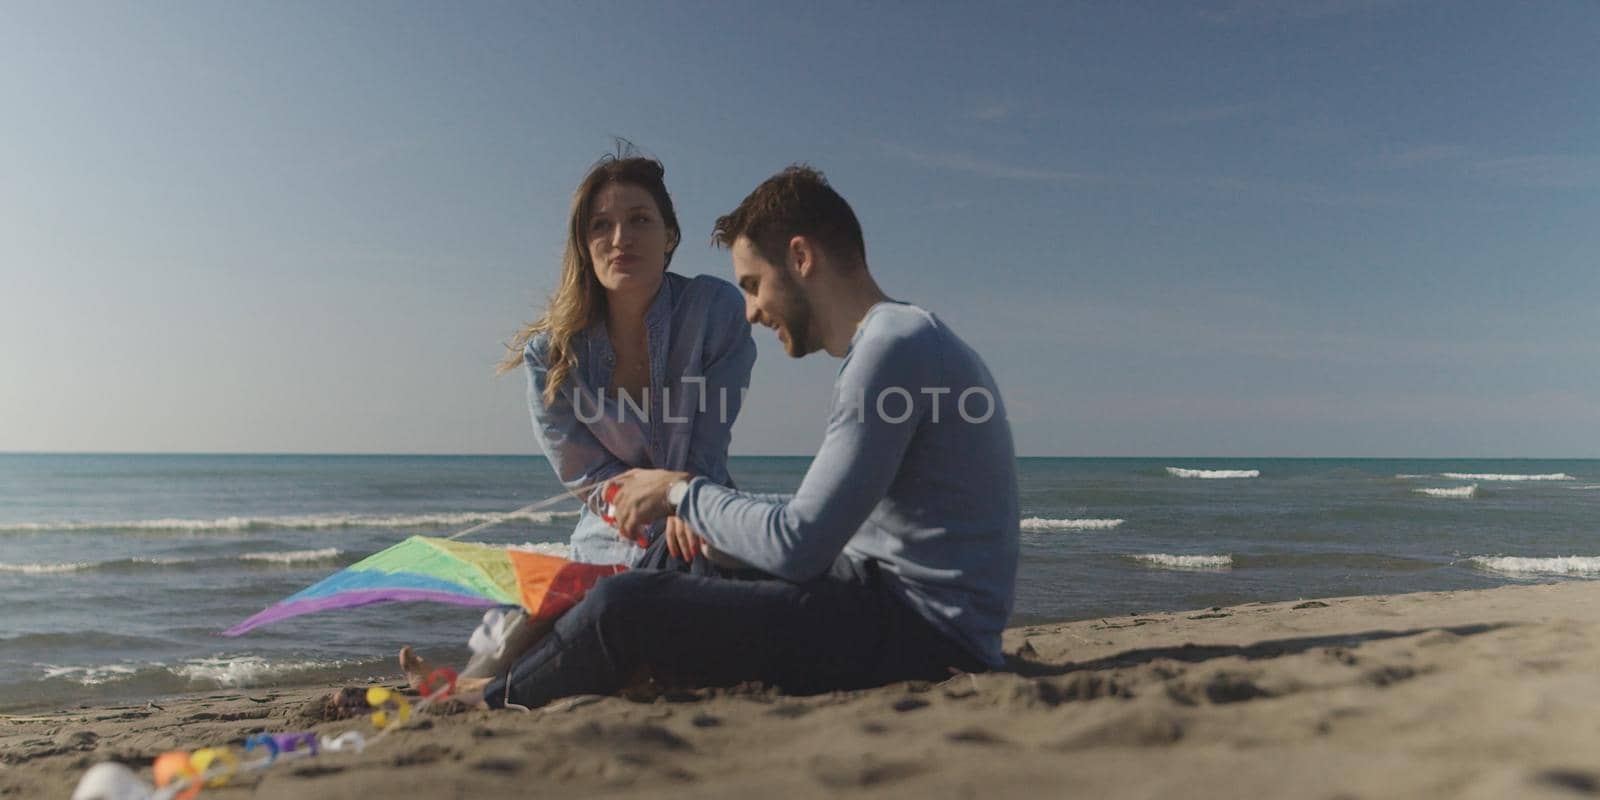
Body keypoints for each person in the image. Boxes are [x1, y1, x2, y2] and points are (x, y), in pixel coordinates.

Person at [457, 165, 1019, 711]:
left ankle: (487, 698)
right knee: (686, 555)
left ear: (800, 258)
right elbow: (823, 524)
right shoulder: (899, 337)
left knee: (621, 605)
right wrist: (705, 520)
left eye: (753, 285)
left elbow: (800, 544)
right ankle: (507, 671)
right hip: (878, 594)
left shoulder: (892, 349)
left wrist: (681, 493)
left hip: (925, 633)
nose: (749, 311)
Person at [499, 151, 757, 567]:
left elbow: (707, 446)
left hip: (699, 526)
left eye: (639, 219)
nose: (621, 239)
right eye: (601, 225)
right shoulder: (550, 355)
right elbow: (589, 477)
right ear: (585, 244)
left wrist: (683, 500)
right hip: (611, 540)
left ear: (670, 235)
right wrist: (661, 509)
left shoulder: (714, 311)